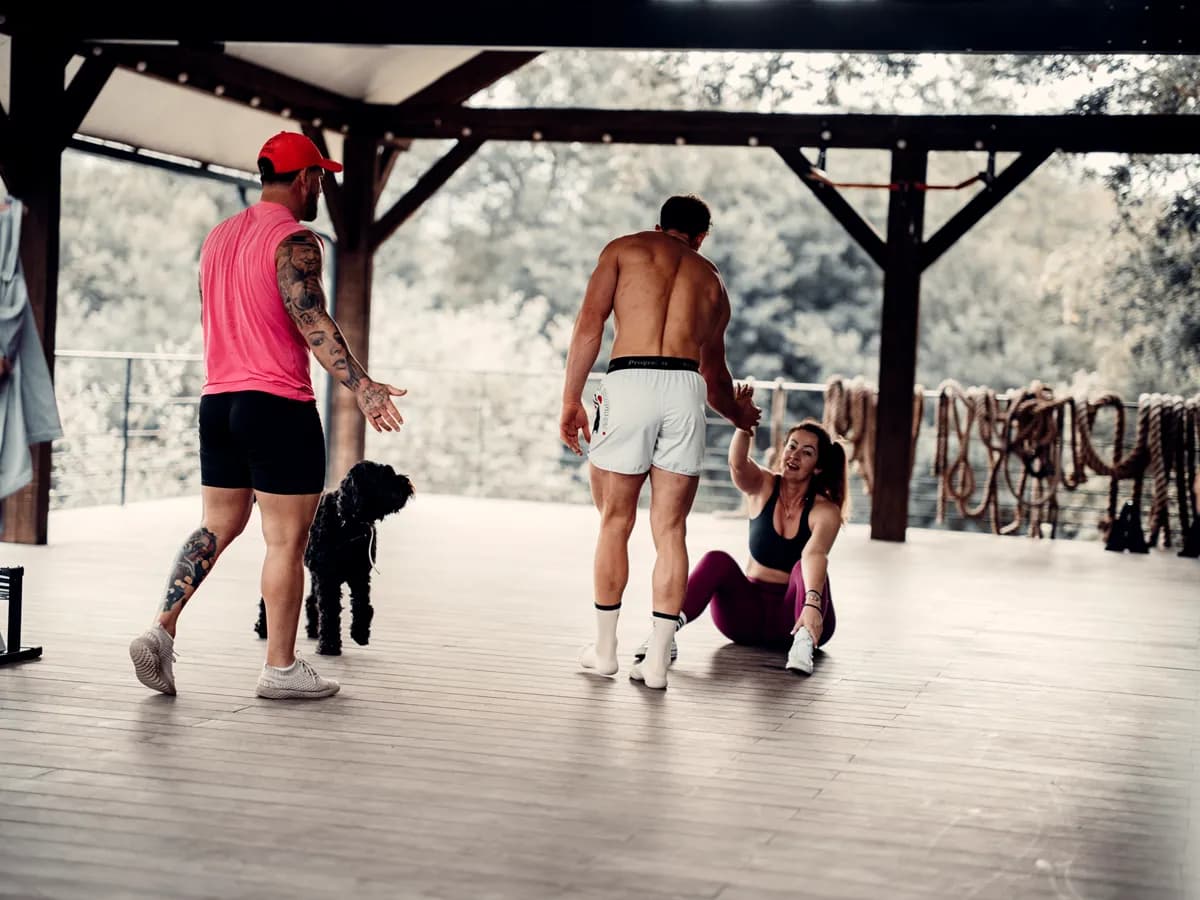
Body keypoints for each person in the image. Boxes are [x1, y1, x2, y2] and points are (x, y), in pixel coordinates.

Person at [128, 131, 407, 700]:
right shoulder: (297, 240)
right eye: (320, 179)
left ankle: (160, 629)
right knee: (285, 540)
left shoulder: (219, 237)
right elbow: (312, 321)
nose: (321, 190)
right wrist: (364, 386)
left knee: (215, 525)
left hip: (219, 401)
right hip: (278, 405)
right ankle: (280, 669)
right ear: (305, 179)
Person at [559, 194, 761, 690]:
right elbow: (716, 379)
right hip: (684, 388)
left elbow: (589, 327)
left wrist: (571, 401)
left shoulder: (624, 250)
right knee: (670, 530)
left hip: (629, 382)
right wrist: (741, 414)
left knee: (615, 520)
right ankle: (656, 663)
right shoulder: (711, 279)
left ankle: (604, 651)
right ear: (701, 236)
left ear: (658, 226)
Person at [634, 414, 849, 674]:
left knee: (804, 567)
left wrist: (812, 606)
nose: (794, 455)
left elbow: (816, 554)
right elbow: (738, 464)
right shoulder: (764, 486)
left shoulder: (825, 511)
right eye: (791, 446)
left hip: (797, 616)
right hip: (747, 618)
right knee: (717, 560)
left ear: (818, 467)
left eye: (807, 452)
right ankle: (664, 636)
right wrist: (743, 425)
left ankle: (803, 644)